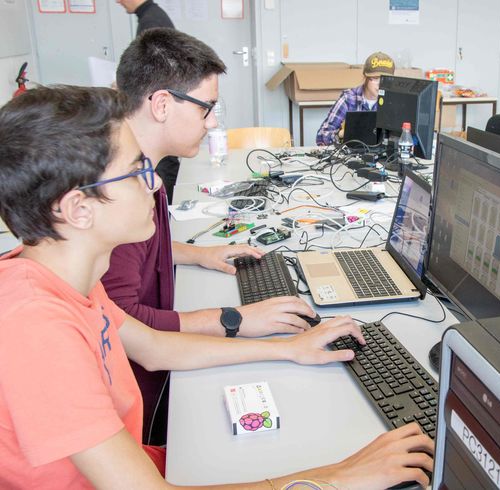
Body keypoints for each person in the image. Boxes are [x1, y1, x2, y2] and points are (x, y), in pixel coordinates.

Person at [0, 85, 434, 489]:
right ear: (78, 209)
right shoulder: (35, 326)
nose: (153, 185)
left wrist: (289, 347)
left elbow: (153, 347)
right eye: (136, 173)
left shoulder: (64, 275)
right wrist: (338, 478)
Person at [107, 28, 319, 443]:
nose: (213, 122)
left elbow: (140, 250)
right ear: (162, 104)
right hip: (140, 406)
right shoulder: (118, 189)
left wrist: (197, 254)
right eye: (207, 108)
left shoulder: (142, 172)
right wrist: (236, 319)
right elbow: (128, 324)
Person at [115, 0, 179, 201]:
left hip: (157, 118)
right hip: (158, 112)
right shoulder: (151, 17)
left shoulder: (152, 22)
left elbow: (154, 76)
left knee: (161, 173)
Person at [316, 52, 395, 146]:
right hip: (351, 156)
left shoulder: (392, 102)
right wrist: (342, 134)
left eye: (385, 79)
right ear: (366, 77)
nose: (380, 84)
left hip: (382, 157)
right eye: (376, 78)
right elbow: (321, 137)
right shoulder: (348, 99)